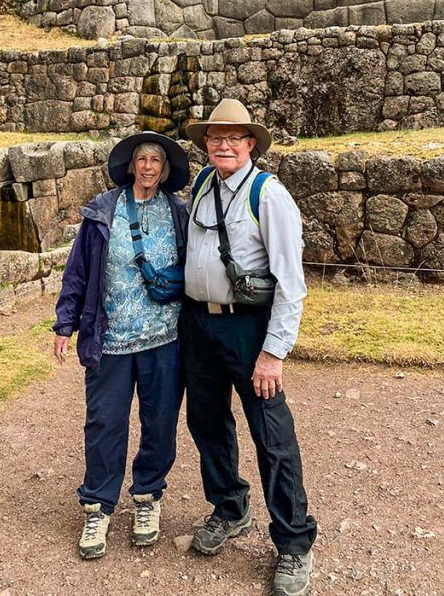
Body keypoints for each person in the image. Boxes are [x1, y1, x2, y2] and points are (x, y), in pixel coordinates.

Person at [181, 98, 317, 596]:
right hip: (199, 324)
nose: (222, 144)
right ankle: (229, 507)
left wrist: (274, 351)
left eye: (233, 137)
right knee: (207, 422)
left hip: (249, 329)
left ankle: (294, 543)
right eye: (215, 137)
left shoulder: (269, 196)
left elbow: (292, 283)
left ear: (251, 145)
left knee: (271, 435)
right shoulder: (201, 185)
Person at [52, 131, 189, 560]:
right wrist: (64, 324)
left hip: (165, 340)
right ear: (131, 165)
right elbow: (78, 271)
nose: (148, 166)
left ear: (165, 169)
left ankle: (147, 497)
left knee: (160, 424)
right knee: (105, 424)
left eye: (156, 160)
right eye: (141, 159)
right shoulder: (103, 212)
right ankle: (98, 505)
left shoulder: (180, 212)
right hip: (110, 341)